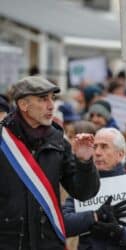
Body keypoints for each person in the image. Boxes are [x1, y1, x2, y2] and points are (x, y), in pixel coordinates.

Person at [0, 76, 100, 249]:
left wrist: (84, 162)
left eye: (52, 98)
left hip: (48, 242)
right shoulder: (3, 139)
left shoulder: (58, 140)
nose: (51, 105)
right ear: (24, 105)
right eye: (42, 99)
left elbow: (83, 193)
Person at [63, 128, 126, 249]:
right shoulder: (83, 183)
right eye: (94, 147)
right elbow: (63, 224)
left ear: (120, 155)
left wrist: (119, 233)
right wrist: (94, 216)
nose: (97, 152)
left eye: (104, 147)